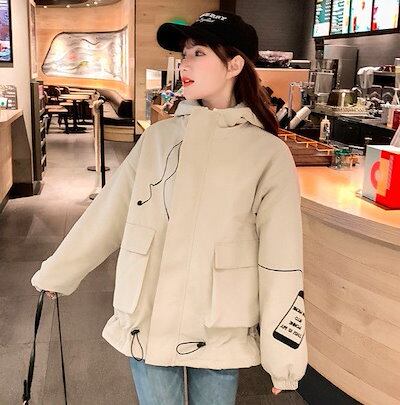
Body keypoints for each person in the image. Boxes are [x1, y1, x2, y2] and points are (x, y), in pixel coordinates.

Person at [32, 10, 307, 405]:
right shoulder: (158, 139)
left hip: (217, 324)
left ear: (234, 64)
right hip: (149, 315)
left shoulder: (267, 154)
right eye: (184, 54)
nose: (184, 65)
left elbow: (281, 260)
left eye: (198, 53)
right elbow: (108, 213)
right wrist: (58, 273)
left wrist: (285, 358)